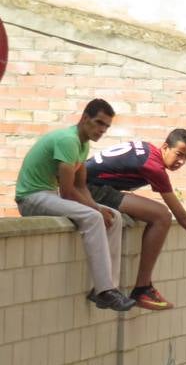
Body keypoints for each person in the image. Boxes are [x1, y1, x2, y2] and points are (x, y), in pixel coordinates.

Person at [86, 129, 186, 310]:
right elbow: (182, 218)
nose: (181, 161)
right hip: (87, 188)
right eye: (179, 154)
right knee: (162, 216)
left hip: (90, 184)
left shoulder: (148, 150)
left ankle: (142, 288)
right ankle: (142, 288)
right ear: (165, 147)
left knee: (154, 212)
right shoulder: (154, 167)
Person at [14, 98, 133, 312]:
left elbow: (81, 187)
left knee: (113, 216)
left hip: (49, 196)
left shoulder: (83, 144)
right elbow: (68, 192)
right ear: (85, 118)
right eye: (99, 123)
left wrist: (100, 208)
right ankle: (105, 291)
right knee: (94, 217)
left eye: (106, 126)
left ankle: (106, 288)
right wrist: (96, 210)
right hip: (31, 197)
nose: (102, 129)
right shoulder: (68, 140)